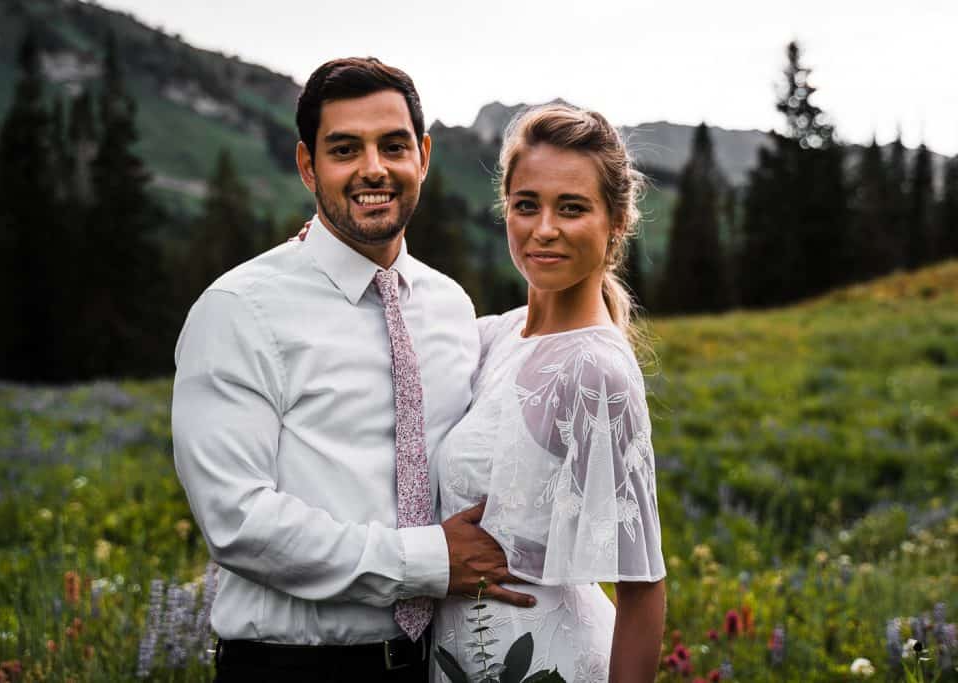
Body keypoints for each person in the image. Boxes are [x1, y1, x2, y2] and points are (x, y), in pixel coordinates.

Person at [171, 57, 533, 683]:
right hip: (290, 668)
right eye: (345, 148)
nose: (373, 168)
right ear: (308, 165)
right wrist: (426, 562)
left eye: (393, 145)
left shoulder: (450, 306)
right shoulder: (239, 310)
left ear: (421, 155)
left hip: (439, 664)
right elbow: (237, 520)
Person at [431, 104, 667, 682]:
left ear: (616, 222)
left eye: (572, 208)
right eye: (526, 205)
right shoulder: (499, 333)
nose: (544, 229)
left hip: (544, 664)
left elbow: (643, 589)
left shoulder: (594, 370)